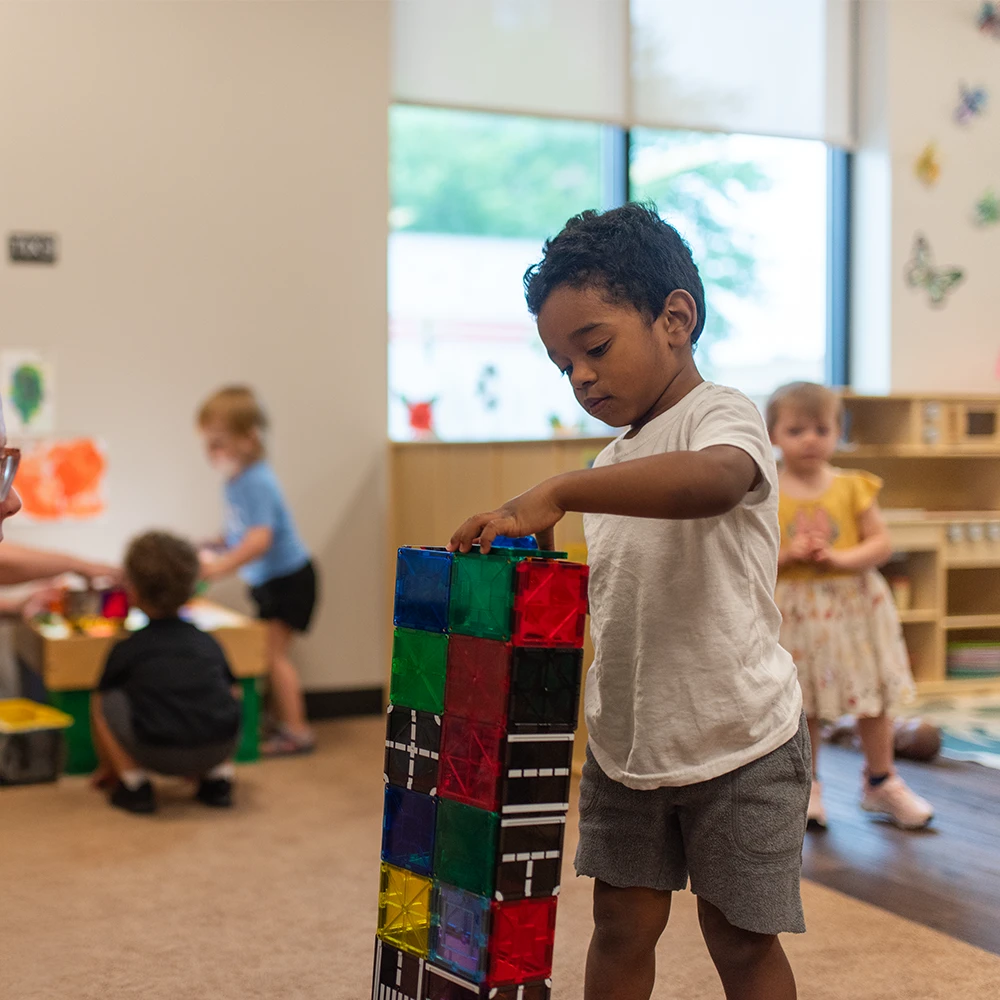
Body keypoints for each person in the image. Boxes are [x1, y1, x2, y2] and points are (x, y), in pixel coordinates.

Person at [449, 203, 808, 1000]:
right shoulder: (613, 463)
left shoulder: (721, 416)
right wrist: (516, 552)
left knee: (741, 940)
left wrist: (561, 489)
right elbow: (615, 595)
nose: (579, 375)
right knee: (620, 924)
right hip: (629, 746)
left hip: (739, 739)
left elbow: (714, 484)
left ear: (675, 317)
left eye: (595, 347)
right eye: (560, 363)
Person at [767, 381, 933, 831]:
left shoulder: (854, 486)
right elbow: (753, 556)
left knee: (872, 697)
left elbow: (880, 543)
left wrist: (839, 557)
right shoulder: (766, 492)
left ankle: (881, 781)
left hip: (854, 610)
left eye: (821, 428)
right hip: (796, 612)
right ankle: (808, 787)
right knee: (806, 704)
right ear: (773, 435)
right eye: (796, 429)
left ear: (838, 432)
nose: (809, 439)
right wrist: (790, 554)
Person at [196, 386, 317, 756]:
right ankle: (280, 720)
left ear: (249, 440)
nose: (211, 453)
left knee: (271, 655)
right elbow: (239, 532)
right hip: (271, 583)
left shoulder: (257, 481)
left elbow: (259, 540)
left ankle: (297, 731)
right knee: (267, 654)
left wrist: (218, 567)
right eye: (208, 444)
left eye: (219, 444)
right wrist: (215, 543)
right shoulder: (237, 482)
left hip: (289, 580)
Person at [91, 531, 241, 814]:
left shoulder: (128, 647)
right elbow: (232, 691)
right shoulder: (208, 642)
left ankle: (133, 783)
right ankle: (218, 778)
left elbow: (104, 701)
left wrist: (107, 764)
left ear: (132, 590)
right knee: (229, 689)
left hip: (155, 753)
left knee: (104, 698)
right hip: (218, 747)